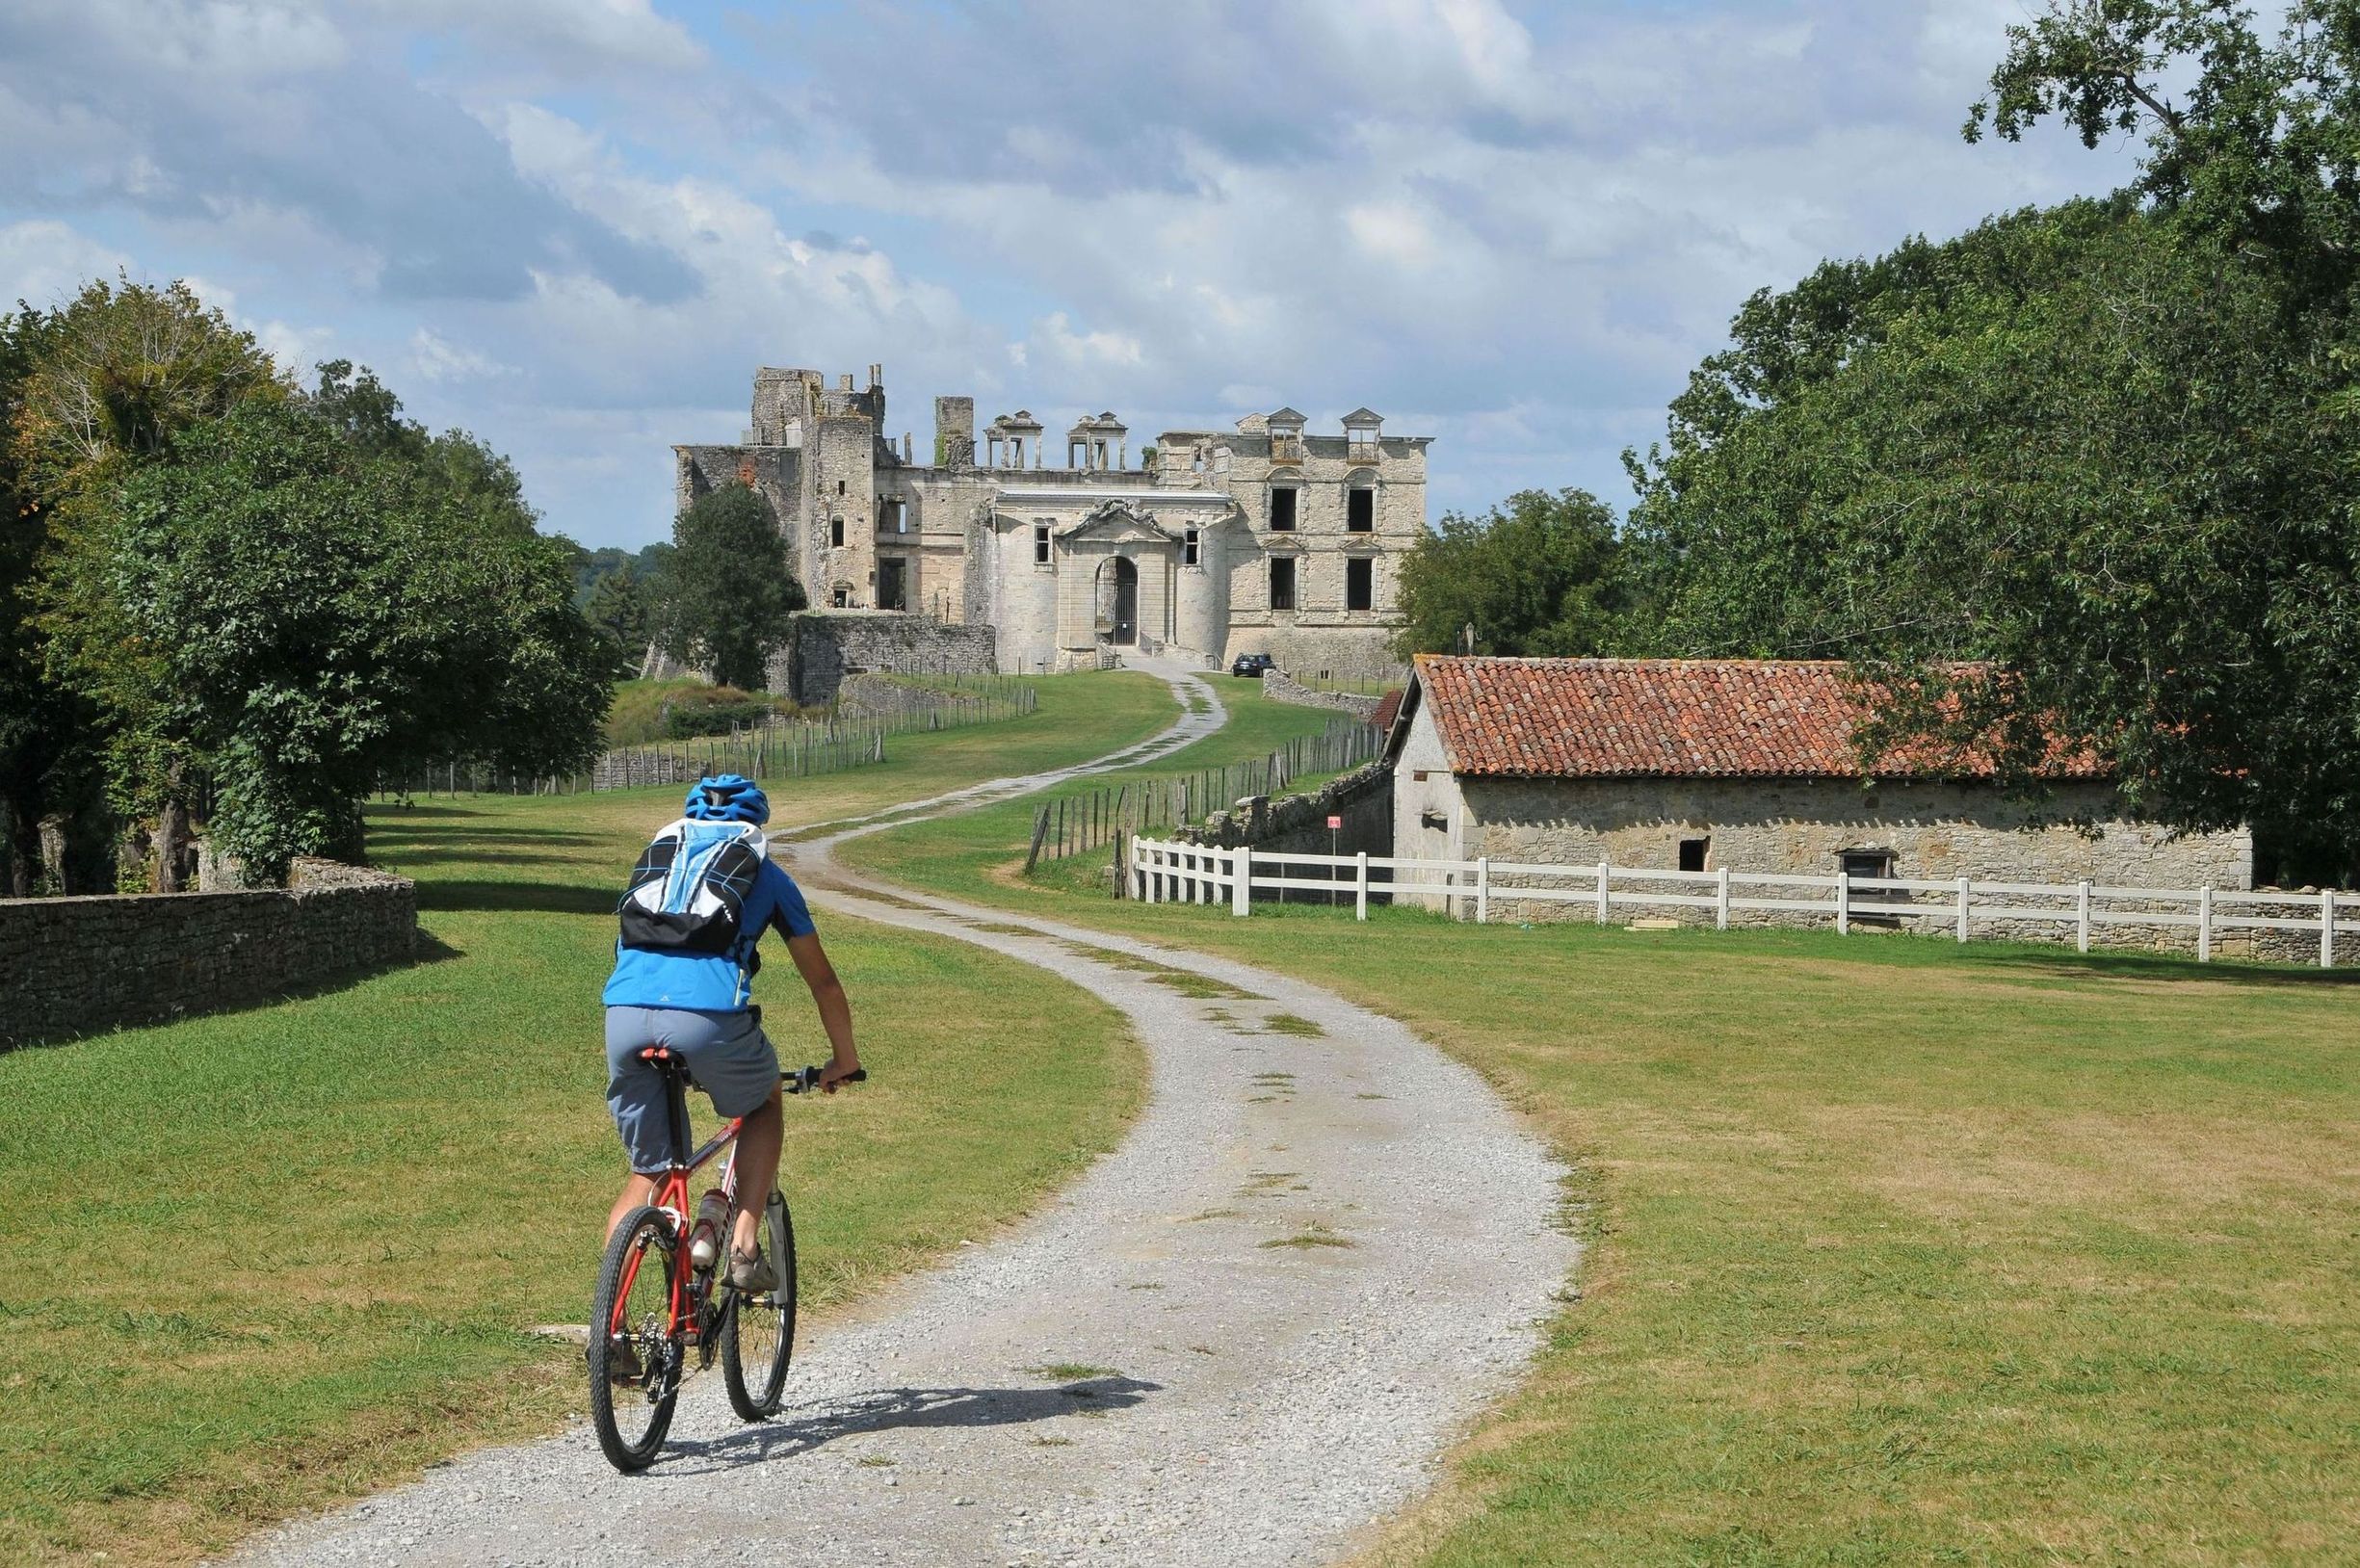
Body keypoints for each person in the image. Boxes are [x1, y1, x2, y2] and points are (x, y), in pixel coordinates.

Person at [599, 774, 860, 1294]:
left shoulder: (658, 862)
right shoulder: (766, 875)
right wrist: (843, 1060)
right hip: (708, 1018)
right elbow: (824, 983)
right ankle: (742, 1244)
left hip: (623, 1015)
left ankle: (612, 1325)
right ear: (755, 824)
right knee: (763, 1100)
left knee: (648, 1174)